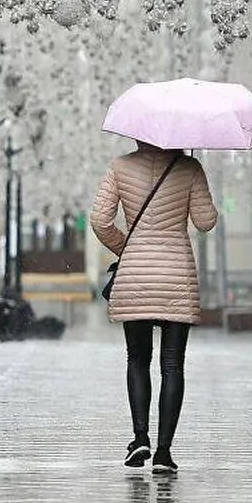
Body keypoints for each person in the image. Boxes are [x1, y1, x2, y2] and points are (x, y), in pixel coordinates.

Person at [91, 142, 218, 473]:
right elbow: (205, 221)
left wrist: (128, 247)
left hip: (136, 275)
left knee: (137, 358)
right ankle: (164, 452)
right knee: (173, 365)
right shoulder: (189, 168)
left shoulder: (120, 166)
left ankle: (140, 436)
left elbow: (100, 219)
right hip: (177, 274)